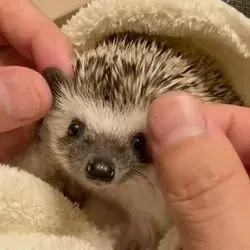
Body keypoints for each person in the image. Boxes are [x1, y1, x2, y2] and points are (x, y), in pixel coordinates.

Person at [1, 1, 250, 250]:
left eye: (137, 143)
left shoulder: (168, 180)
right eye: (76, 130)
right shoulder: (50, 139)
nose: (100, 164)